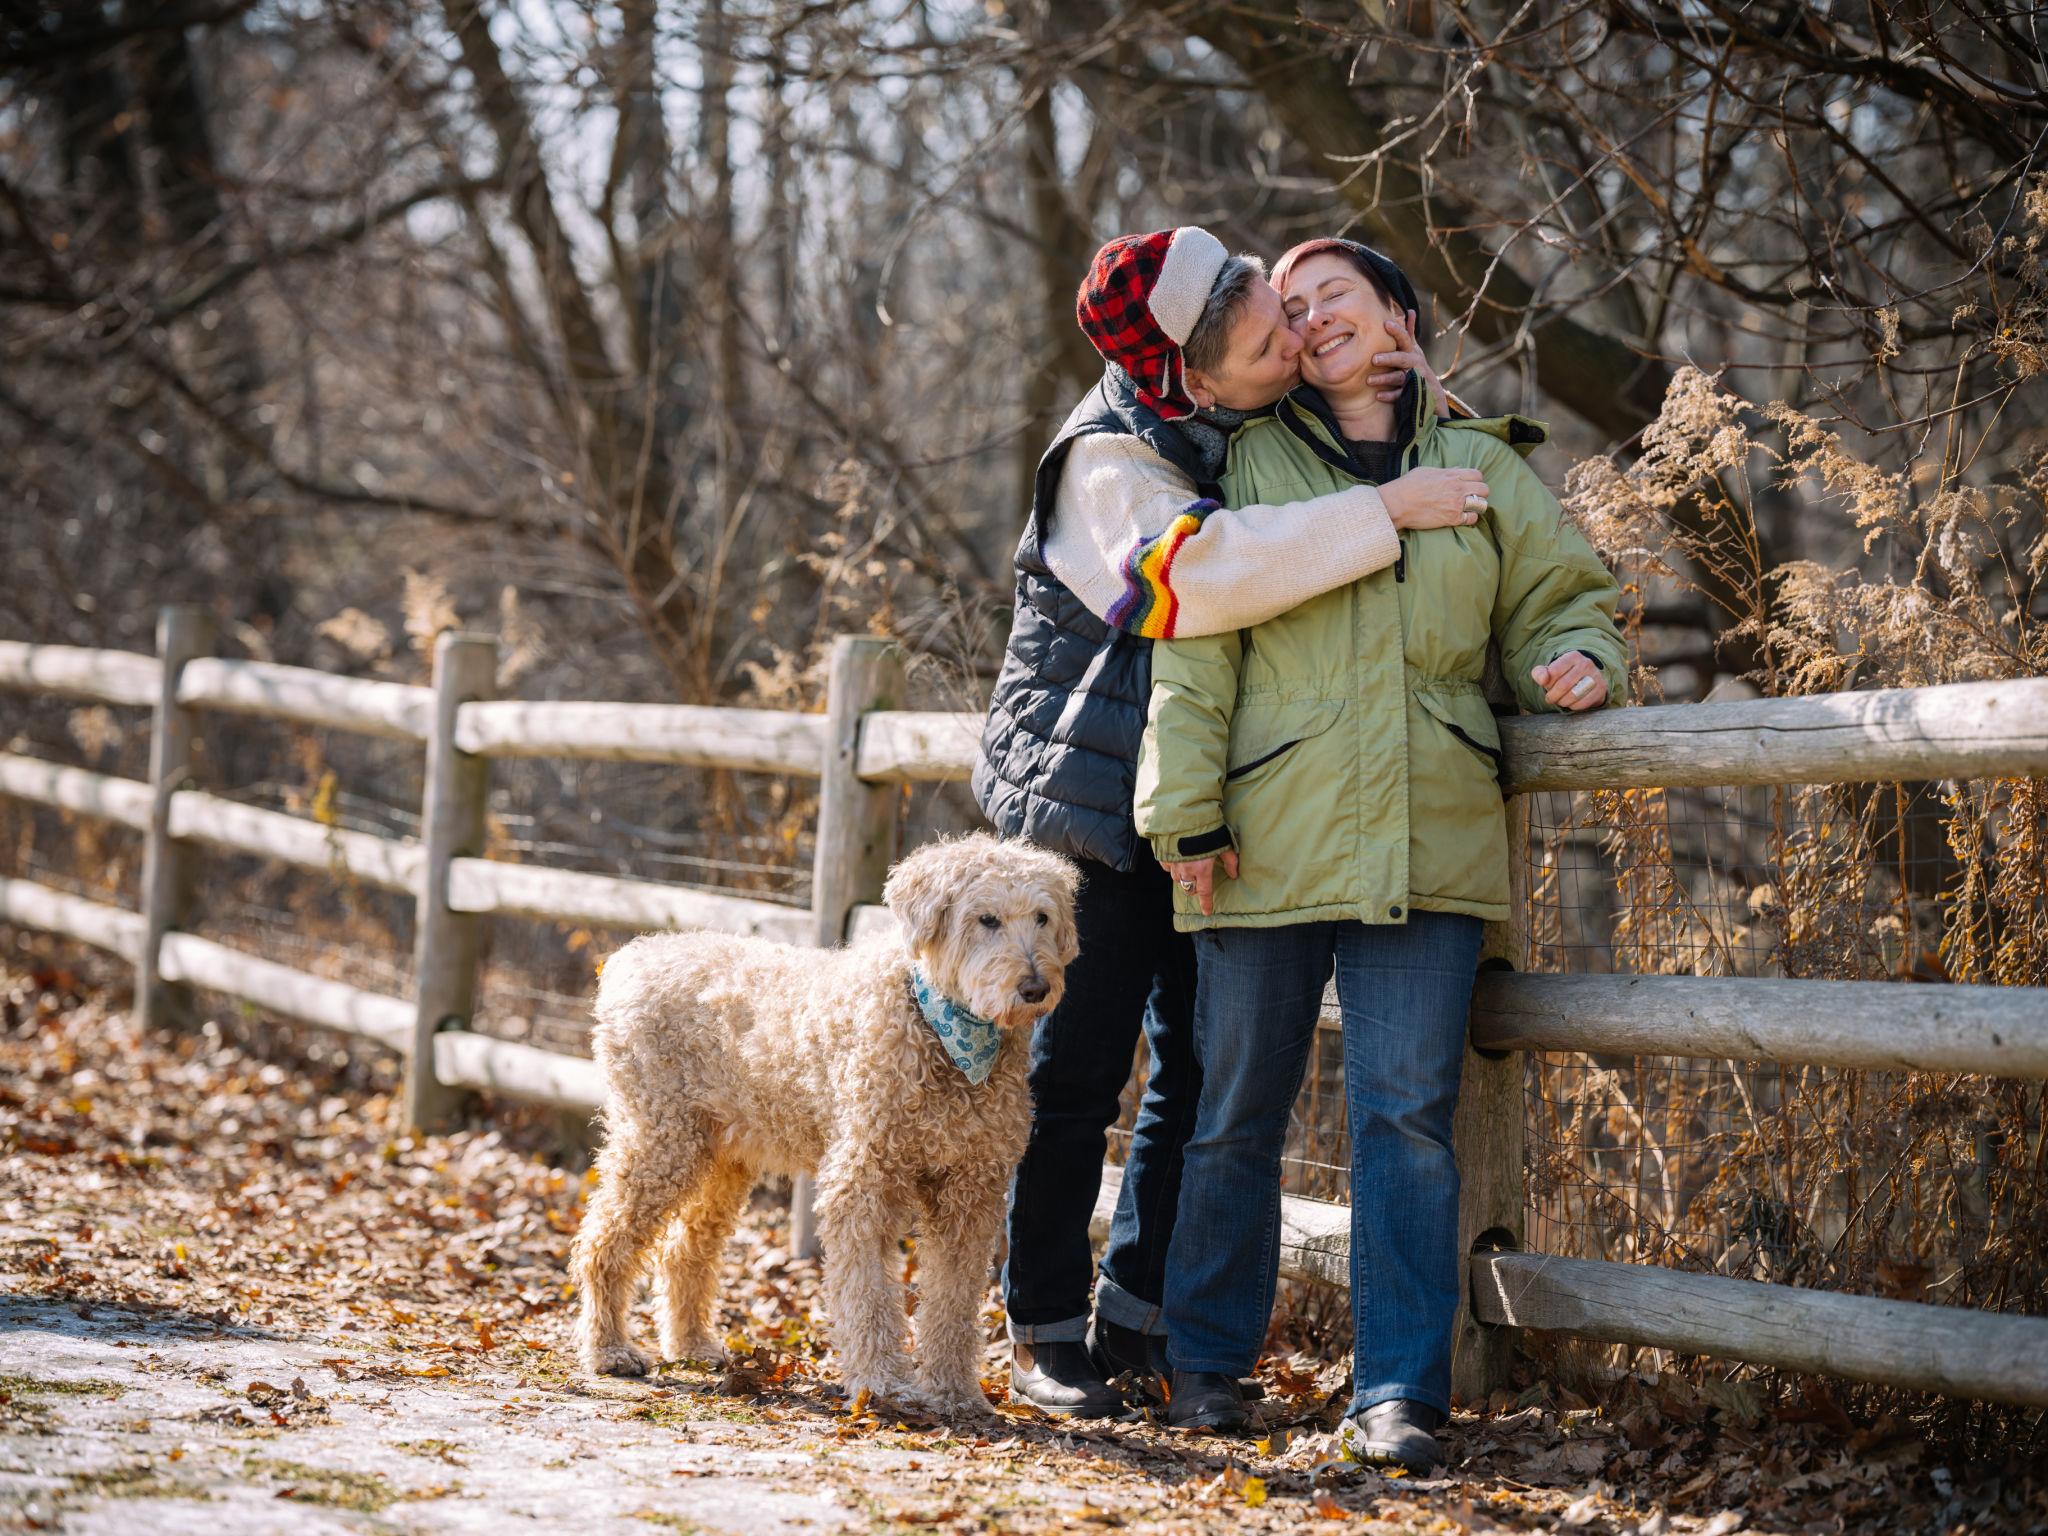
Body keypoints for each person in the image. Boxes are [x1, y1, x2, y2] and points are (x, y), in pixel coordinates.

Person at [972, 227, 1492, 1416]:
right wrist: (1389, 510)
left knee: (1198, 1076)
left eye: (1276, 301)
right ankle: (1044, 1325)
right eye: (1269, 339)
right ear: (1198, 381)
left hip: (1219, 800)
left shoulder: (1248, 426)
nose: (1293, 335)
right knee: (1075, 1073)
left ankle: (1142, 1323)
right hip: (1092, 804)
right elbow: (1189, 581)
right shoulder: (1104, 463)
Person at [1133, 238, 1627, 1459]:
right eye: (1289, 307)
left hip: (1428, 835)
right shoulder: (1246, 461)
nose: (1309, 316)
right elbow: (1194, 647)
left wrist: (1579, 659)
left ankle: (1396, 1389)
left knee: (1405, 1118)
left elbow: (1565, 598)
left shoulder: (1483, 465)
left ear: (1398, 311)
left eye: (1334, 291)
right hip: (1263, 835)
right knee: (1232, 1110)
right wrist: (1179, 809)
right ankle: (1204, 1366)